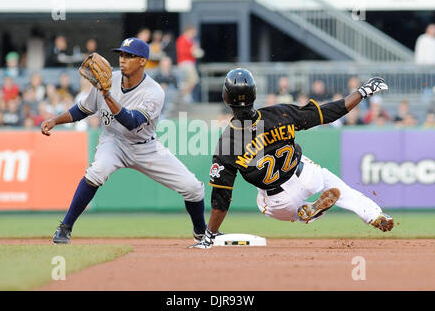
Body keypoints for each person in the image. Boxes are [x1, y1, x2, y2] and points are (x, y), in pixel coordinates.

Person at [190, 68, 394, 249]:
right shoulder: (280, 113)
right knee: (333, 183)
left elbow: (221, 199)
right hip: (307, 176)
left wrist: (209, 236)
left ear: (226, 99)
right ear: (254, 94)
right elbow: (327, 113)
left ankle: (302, 213)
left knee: (262, 202)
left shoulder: (228, 143)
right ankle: (374, 214)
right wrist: (362, 92)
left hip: (278, 202)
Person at [41, 37, 208, 244]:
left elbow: (132, 122)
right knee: (97, 172)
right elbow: (82, 109)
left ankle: (201, 233)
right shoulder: (108, 80)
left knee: (193, 187)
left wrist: (107, 95)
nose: (122, 59)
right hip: (113, 142)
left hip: (145, 146)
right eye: (121, 54)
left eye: (129, 56)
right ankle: (65, 227)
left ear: (142, 61)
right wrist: (55, 120)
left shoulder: (154, 91)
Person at [176, 25, 202, 102]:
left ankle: (186, 95)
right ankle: (184, 95)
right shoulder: (182, 39)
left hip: (190, 62)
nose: (194, 34)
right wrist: (192, 50)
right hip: (185, 62)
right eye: (193, 32)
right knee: (192, 80)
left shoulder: (191, 40)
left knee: (190, 81)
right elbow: (181, 51)